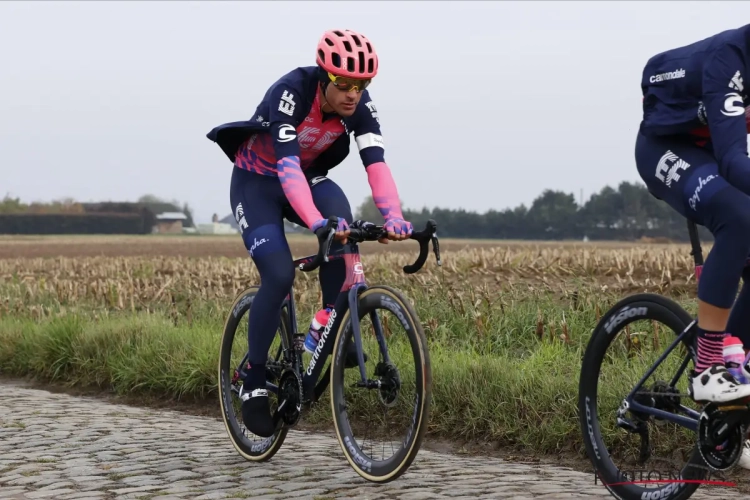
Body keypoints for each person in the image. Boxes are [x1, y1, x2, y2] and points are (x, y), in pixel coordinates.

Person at [206, 29, 413, 438]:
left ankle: (327, 324)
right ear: (324, 77)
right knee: (279, 274)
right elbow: (286, 168)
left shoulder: (359, 107)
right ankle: (253, 375)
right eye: (344, 84)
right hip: (258, 183)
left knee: (346, 229)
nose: (354, 93)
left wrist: (393, 217)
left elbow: (376, 163)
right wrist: (316, 223)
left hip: (310, 176)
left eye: (363, 85)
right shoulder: (291, 92)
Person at [636, 24, 750, 465]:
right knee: (741, 218)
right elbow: (732, 159)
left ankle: (731, 397)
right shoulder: (731, 58)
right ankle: (707, 367)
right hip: (665, 149)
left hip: (710, 154)